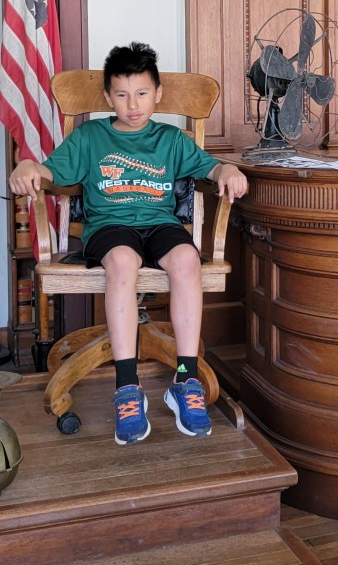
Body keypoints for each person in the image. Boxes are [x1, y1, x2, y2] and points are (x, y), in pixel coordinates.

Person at [9, 42, 249, 446]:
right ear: (108, 97)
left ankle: (185, 380)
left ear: (157, 93)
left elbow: (210, 166)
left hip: (160, 224)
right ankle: (126, 387)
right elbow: (48, 171)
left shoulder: (171, 140)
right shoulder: (90, 136)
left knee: (187, 258)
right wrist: (28, 165)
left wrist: (227, 168)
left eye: (141, 93)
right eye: (121, 95)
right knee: (122, 262)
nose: (132, 104)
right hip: (109, 226)